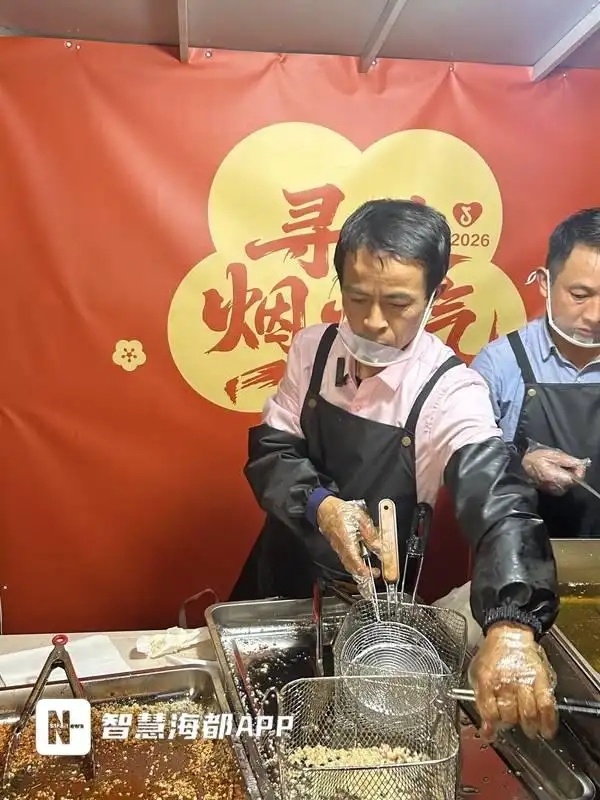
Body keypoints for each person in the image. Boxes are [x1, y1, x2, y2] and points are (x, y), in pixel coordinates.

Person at [231, 198, 560, 740]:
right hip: (280, 572)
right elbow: (272, 453)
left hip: (372, 607)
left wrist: (512, 626)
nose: (373, 322)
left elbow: (498, 501)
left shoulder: (450, 391)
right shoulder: (313, 350)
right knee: (246, 719)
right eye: (357, 298)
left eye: (399, 303)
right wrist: (322, 506)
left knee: (343, 737)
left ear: (435, 295)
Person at [471, 208, 600, 539]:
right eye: (580, 296)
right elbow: (465, 469)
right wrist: (522, 465)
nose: (595, 315)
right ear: (545, 283)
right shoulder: (500, 364)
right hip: (519, 555)